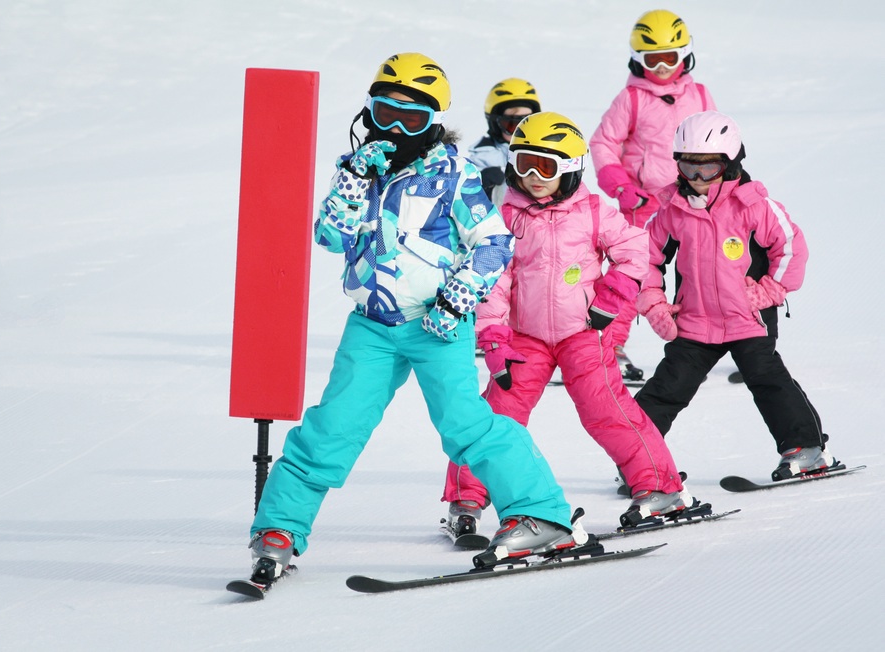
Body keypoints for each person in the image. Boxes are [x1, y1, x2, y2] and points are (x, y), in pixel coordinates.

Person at [245, 53, 591, 586]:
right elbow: (330, 237)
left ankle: (540, 514)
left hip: (438, 324)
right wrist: (355, 180)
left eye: (413, 118)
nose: (397, 128)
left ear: (434, 122)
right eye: (386, 113)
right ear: (369, 112)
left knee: (465, 425)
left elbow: (493, 242)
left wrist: (458, 297)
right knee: (332, 428)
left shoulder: (456, 174)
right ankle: (279, 530)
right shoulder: (359, 170)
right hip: (372, 324)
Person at [441, 111, 697, 539]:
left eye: (547, 167)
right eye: (524, 164)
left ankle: (659, 487)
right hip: (526, 338)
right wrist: (493, 337)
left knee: (608, 412)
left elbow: (636, 250)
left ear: (572, 170)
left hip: (583, 332)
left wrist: (613, 296)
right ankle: (466, 499)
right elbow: (495, 281)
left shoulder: (594, 212)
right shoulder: (504, 217)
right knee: (495, 415)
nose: (534, 177)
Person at [634, 110, 837, 482]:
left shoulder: (753, 204)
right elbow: (643, 259)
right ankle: (639, 464)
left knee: (766, 379)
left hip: (749, 316)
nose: (696, 178)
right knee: (666, 389)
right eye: (687, 166)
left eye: (707, 168)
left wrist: (769, 291)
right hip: (695, 321)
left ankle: (804, 450)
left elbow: (790, 249)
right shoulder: (672, 208)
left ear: (729, 164)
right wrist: (655, 304)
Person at [590, 9, 716, 384]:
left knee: (705, 272)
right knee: (634, 276)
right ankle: (608, 346)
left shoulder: (700, 95)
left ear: (685, 55)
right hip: (643, 206)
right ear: (637, 59)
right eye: (652, 59)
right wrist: (623, 189)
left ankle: (723, 339)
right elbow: (602, 143)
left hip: (691, 201)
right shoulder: (631, 99)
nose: (661, 68)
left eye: (669, 58)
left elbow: (717, 143)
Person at [467, 78, 541, 206]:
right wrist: (480, 186)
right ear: (495, 123)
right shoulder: (482, 159)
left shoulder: (543, 153)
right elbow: (461, 199)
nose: (520, 132)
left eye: (527, 123)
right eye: (512, 124)